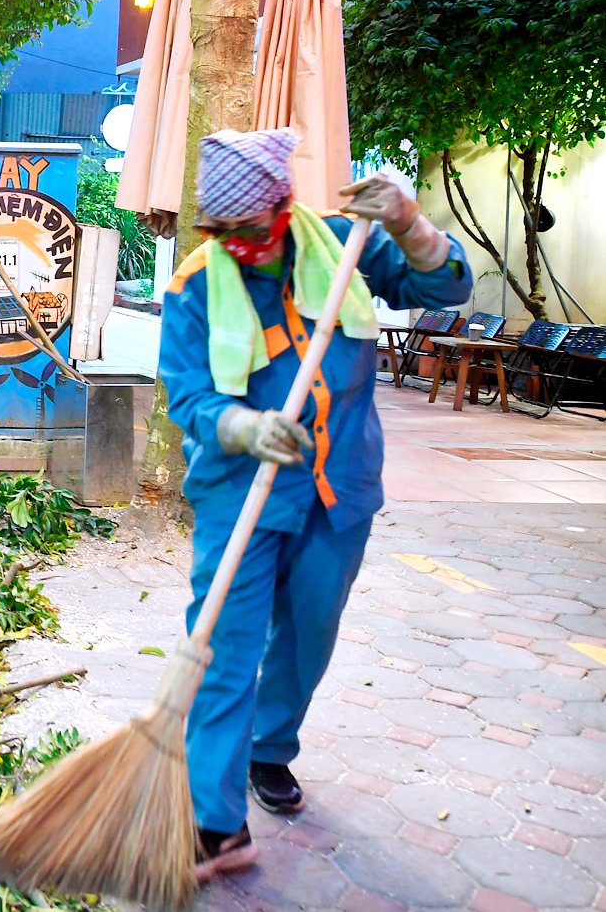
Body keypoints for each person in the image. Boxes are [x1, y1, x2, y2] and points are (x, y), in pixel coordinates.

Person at [158, 130, 472, 882]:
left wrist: (407, 220)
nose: (244, 248)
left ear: (285, 205)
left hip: (341, 488)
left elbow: (446, 288)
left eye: (256, 232)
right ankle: (215, 821)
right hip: (240, 492)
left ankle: (271, 746)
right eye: (224, 235)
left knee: (309, 632)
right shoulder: (195, 284)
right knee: (223, 648)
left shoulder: (342, 245)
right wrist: (238, 424)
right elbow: (189, 392)